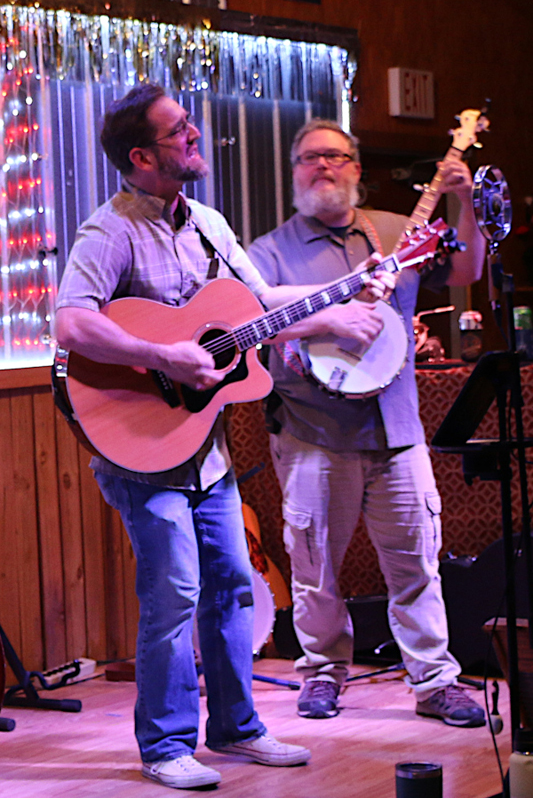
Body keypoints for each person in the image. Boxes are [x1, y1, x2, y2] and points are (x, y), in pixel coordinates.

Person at [54, 87, 391, 791]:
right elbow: (72, 324)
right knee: (175, 591)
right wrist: (162, 357)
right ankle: (166, 745)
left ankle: (236, 728)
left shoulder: (205, 221)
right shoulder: (108, 230)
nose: (197, 135)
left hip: (203, 445)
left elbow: (253, 304)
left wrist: (340, 295)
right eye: (180, 131)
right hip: (141, 446)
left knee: (234, 586)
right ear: (143, 156)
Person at [247, 117, 487, 727]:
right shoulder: (268, 253)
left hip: (397, 428)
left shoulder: (395, 232)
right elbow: (252, 324)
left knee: (416, 565)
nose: (321, 166)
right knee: (316, 569)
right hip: (312, 431)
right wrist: (321, 328)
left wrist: (463, 200)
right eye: (308, 159)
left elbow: (465, 272)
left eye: (334, 156)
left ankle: (435, 682)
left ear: (356, 166)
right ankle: (323, 673)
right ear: (295, 173)